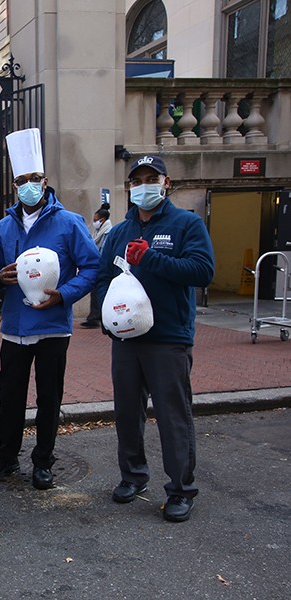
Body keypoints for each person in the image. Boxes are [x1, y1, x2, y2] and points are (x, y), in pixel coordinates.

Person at [0, 128, 99, 490]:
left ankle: (43, 460)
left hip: (52, 326)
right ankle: (6, 456)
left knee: (49, 396)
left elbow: (92, 267)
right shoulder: (3, 226)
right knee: (9, 396)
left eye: (34, 179)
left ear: (45, 181)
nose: (28, 185)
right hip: (15, 327)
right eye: (22, 180)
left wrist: (63, 295)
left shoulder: (69, 223)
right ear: (15, 185)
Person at [97, 155, 214, 522]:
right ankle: (133, 477)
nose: (143, 185)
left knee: (171, 416)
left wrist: (151, 260)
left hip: (167, 338)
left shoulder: (186, 224)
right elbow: (103, 278)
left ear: (166, 183)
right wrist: (107, 317)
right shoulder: (118, 232)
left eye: (152, 178)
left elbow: (202, 271)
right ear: (129, 187)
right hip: (127, 341)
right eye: (137, 180)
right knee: (127, 413)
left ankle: (181, 489)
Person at [80, 205, 113, 328]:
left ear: (102, 220)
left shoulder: (108, 232)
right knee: (95, 293)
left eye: (96, 220)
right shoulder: (98, 232)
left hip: (103, 267)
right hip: (97, 266)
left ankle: (97, 317)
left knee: (99, 293)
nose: (94, 222)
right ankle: (95, 317)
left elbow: (104, 251)